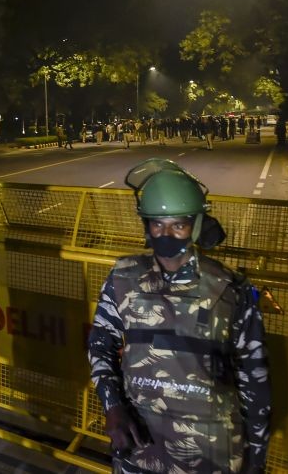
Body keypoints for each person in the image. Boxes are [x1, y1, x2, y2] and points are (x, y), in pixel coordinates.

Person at [88, 159, 271, 473]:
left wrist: (256, 459)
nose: (166, 234)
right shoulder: (123, 279)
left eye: (178, 225)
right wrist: (113, 405)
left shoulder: (232, 290)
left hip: (210, 453)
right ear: (145, 225)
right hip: (141, 446)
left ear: (196, 225)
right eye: (157, 224)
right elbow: (100, 345)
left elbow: (255, 382)